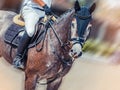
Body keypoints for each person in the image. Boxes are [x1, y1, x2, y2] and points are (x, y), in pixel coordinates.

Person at [13, 0, 53, 69]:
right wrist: (44, 5)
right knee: (31, 31)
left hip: (44, 13)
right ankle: (18, 57)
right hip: (31, 9)